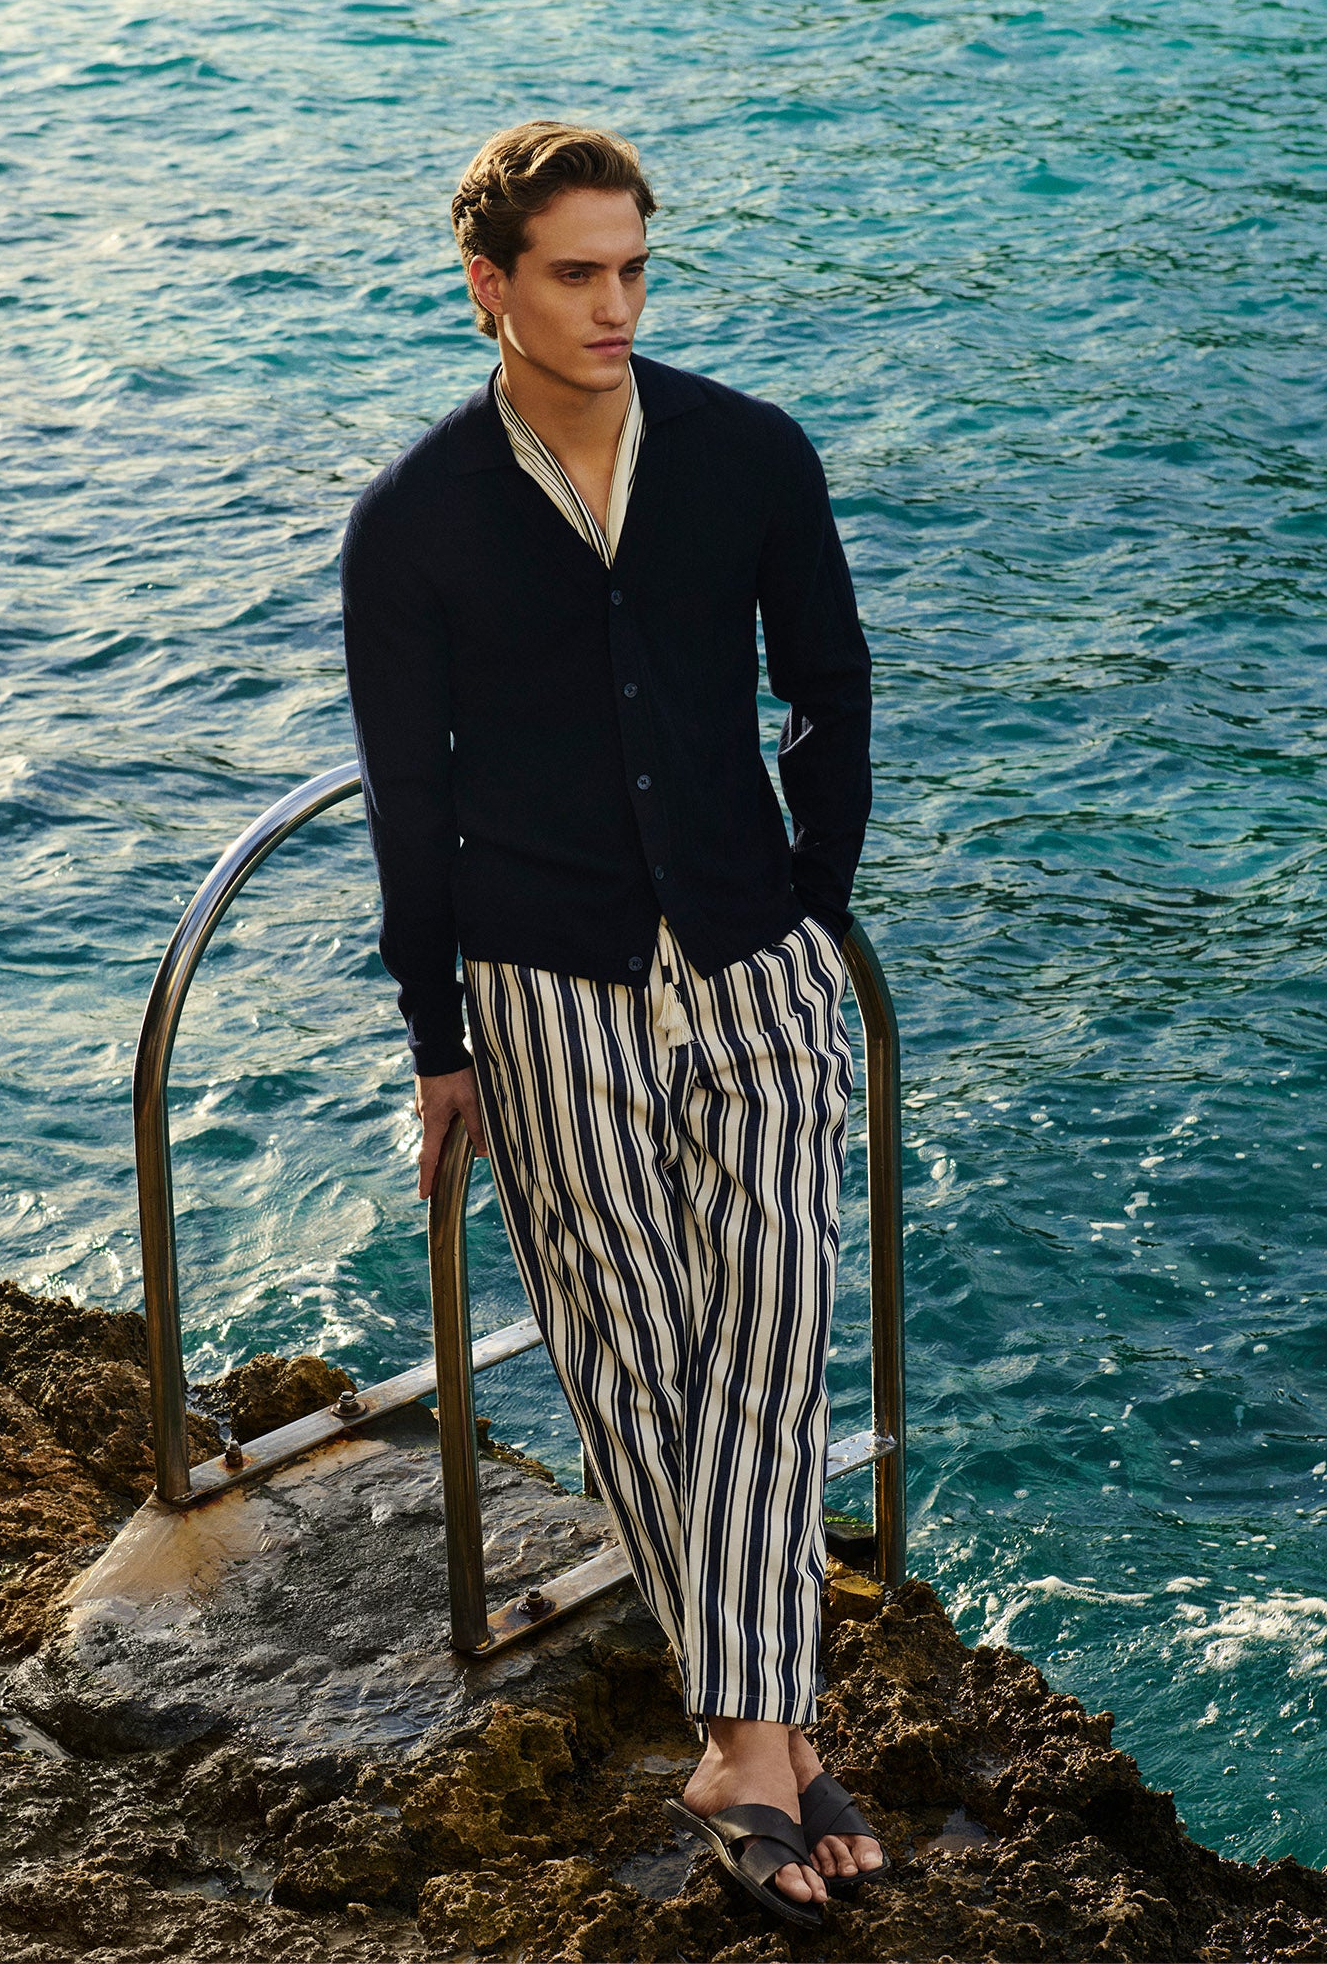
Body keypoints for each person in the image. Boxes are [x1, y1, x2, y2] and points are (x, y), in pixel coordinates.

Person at [339, 120, 882, 1926]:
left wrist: (810, 897)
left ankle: (744, 1737)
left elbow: (831, 688)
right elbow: (408, 805)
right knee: (635, 1345)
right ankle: (768, 1733)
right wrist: (441, 1036)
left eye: (636, 268)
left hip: (756, 969)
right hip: (541, 991)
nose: (615, 305)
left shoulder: (746, 454)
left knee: (774, 1332)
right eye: (577, 273)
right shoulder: (414, 518)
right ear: (488, 284)